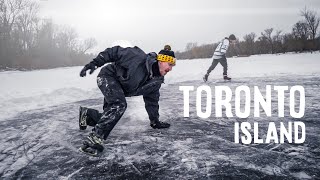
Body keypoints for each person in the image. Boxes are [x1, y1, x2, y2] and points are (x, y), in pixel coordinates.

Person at [78, 45, 176, 156]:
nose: (170, 69)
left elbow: (152, 101)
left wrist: (155, 121)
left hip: (119, 88)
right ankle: (93, 140)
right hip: (108, 77)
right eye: (170, 65)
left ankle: (87, 115)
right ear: (161, 61)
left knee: (109, 117)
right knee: (119, 105)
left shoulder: (156, 81)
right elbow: (114, 52)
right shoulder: (138, 58)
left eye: (173, 66)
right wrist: (95, 63)